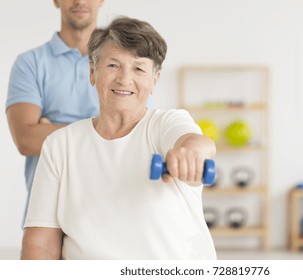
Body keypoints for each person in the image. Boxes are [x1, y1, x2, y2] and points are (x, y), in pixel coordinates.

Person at [21, 16, 217, 260]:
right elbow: (41, 244)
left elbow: (197, 143)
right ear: (93, 72)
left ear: (154, 80)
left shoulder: (165, 123)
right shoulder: (60, 145)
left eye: (139, 68)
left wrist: (192, 154)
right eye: (113, 65)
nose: (124, 79)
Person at [6, 0, 105, 223]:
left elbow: (133, 134)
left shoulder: (121, 64)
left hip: (106, 213)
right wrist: (104, 129)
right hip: (47, 214)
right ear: (56, 1)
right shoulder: (29, 63)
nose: (80, 1)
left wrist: (50, 130)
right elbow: (26, 139)